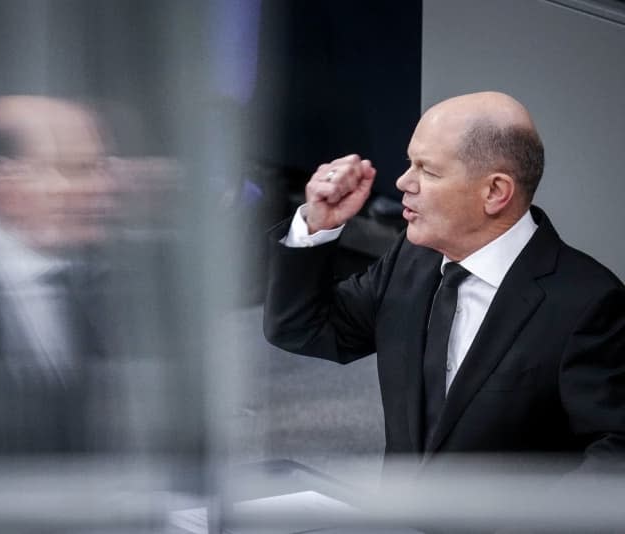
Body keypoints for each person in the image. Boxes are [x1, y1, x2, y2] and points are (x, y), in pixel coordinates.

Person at [263, 91, 625, 470]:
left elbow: (614, 455)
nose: (403, 182)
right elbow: (302, 328)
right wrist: (316, 225)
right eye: (409, 164)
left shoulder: (587, 304)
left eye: (428, 171)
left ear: (495, 192)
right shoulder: (412, 260)